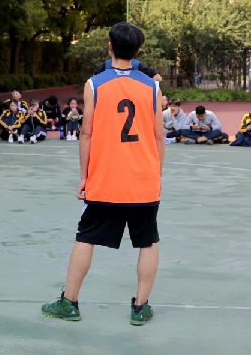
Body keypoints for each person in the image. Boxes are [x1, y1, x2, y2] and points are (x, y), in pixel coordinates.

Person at [42, 22, 165, 326]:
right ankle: (140, 307)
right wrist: (156, 173)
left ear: (109, 47)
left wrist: (84, 176)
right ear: (138, 51)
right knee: (148, 241)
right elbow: (159, 135)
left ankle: (70, 302)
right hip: (143, 179)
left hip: (105, 178)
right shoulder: (152, 87)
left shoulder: (94, 84)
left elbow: (86, 133)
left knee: (85, 238)